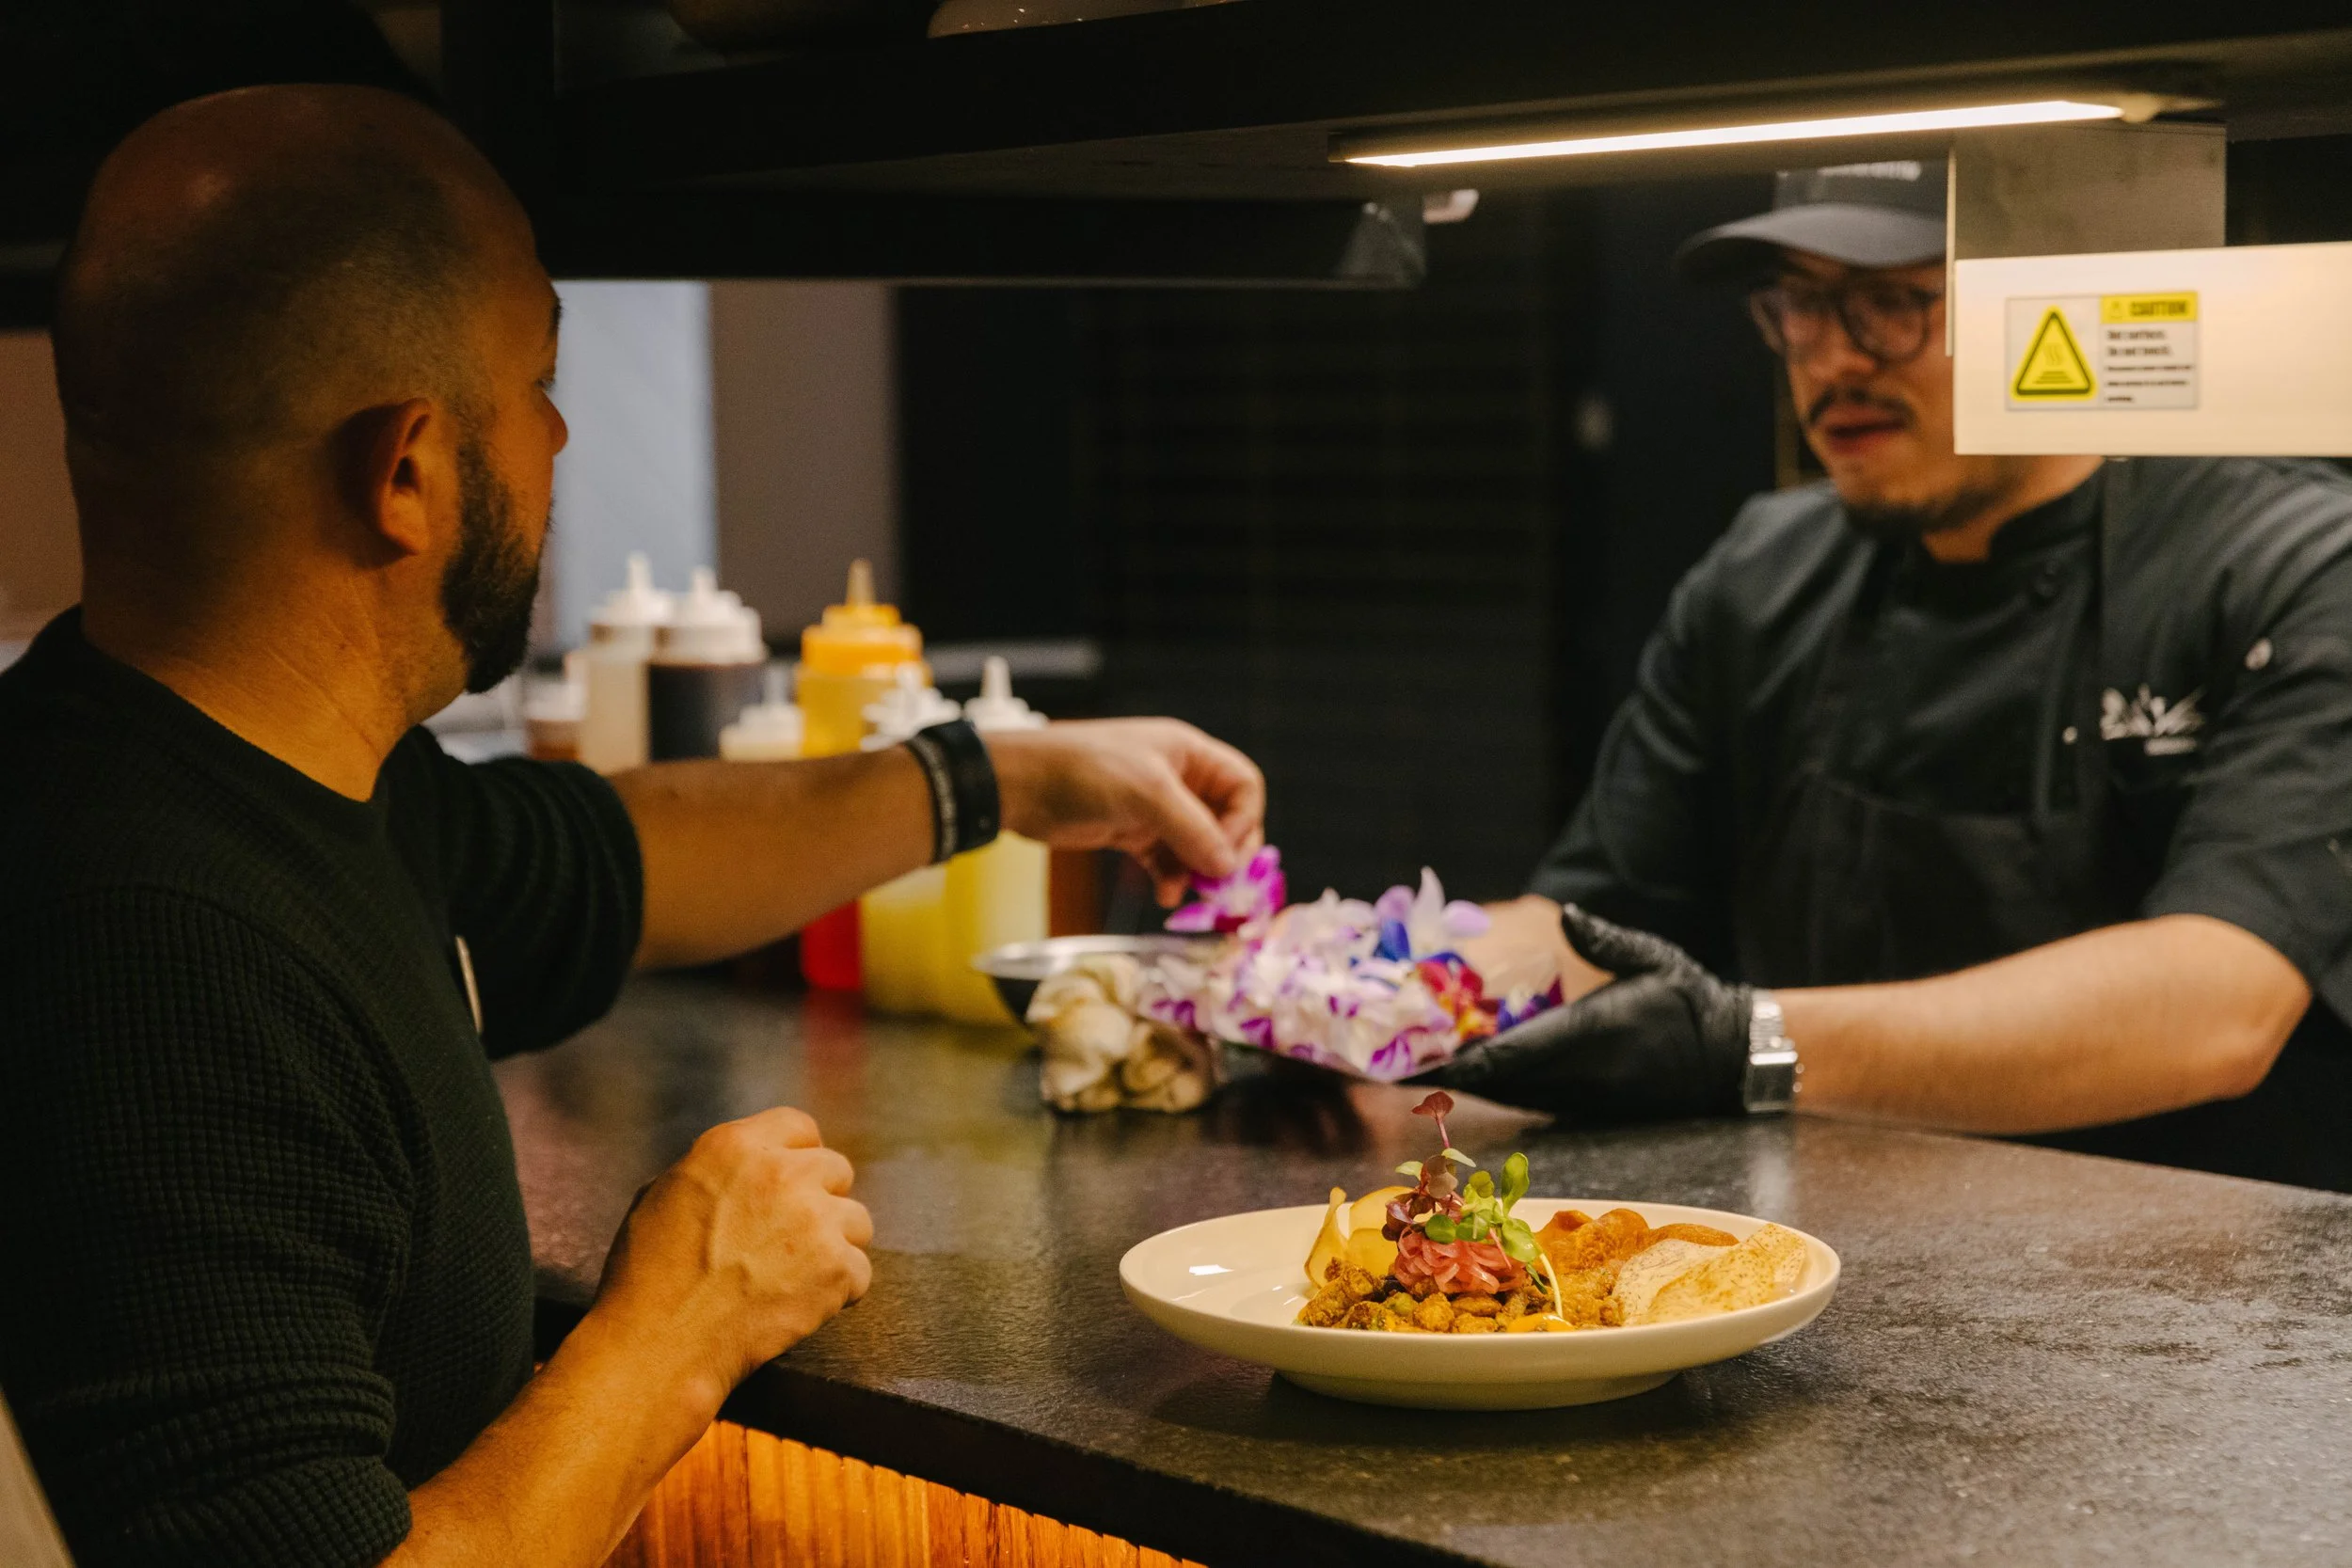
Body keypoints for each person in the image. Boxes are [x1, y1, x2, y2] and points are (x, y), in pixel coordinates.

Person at [0, 86, 1263, 1568]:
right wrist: (680, 1321)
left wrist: (1004, 777)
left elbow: (615, 856)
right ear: (405, 472)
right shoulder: (152, 964)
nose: (558, 433)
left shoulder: (198, 769)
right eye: (536, 379)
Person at [1445, 160, 2352, 1191]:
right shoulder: (1764, 572)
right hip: (1818, 1244)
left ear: (2044, 302)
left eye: (1890, 302)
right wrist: (1336, 987)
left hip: (2208, 1270)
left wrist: (1748, 1042)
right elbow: (1580, 933)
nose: (1832, 359)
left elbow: (2216, 1008)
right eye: (1799, 305)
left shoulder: (2287, 564)